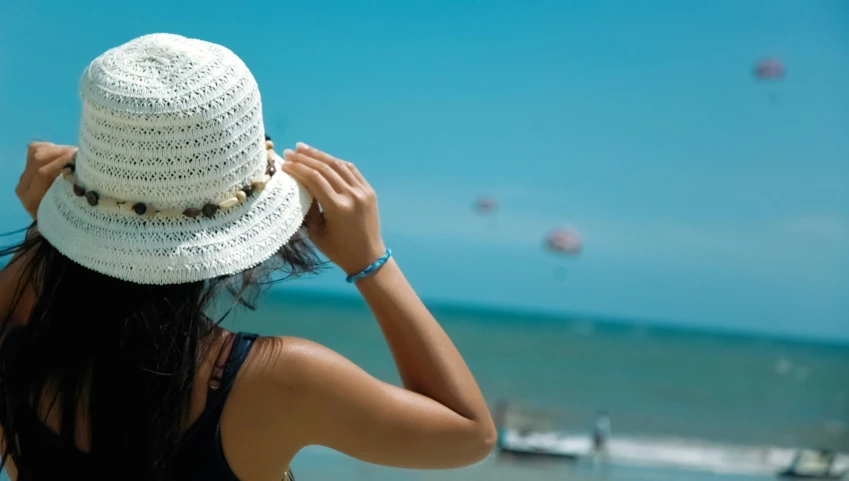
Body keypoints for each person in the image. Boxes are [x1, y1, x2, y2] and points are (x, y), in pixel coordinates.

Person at [0, 33, 495, 481]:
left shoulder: (20, 349)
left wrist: (47, 232)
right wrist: (370, 261)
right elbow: (471, 435)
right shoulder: (278, 379)